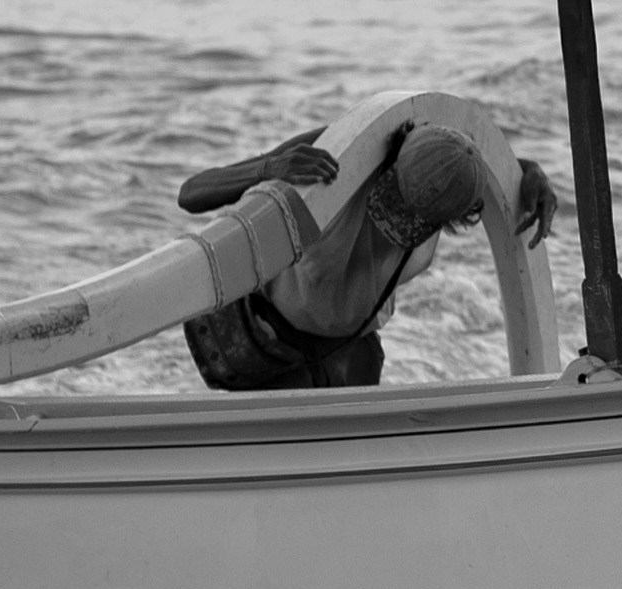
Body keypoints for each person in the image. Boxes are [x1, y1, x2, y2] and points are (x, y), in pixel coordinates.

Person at [171, 123, 561, 390]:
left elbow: (470, 165)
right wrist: (270, 168)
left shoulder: (453, 176)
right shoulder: (339, 150)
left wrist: (529, 173)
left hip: (352, 347)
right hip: (270, 341)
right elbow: (191, 193)